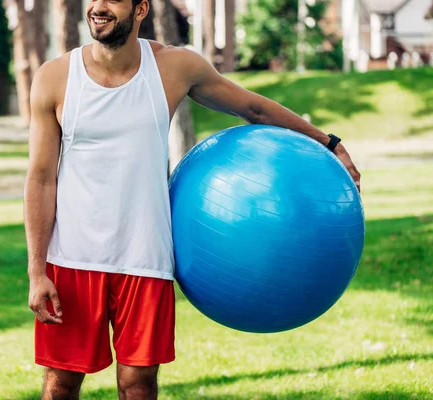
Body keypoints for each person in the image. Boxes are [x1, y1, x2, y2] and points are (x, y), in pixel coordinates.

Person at [23, 0, 361, 399]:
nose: (98, 7)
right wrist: (37, 271)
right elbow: (42, 180)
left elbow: (252, 107)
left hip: (144, 258)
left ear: (141, 9)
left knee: (138, 384)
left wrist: (328, 142)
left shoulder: (175, 68)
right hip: (72, 259)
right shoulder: (55, 77)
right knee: (60, 383)